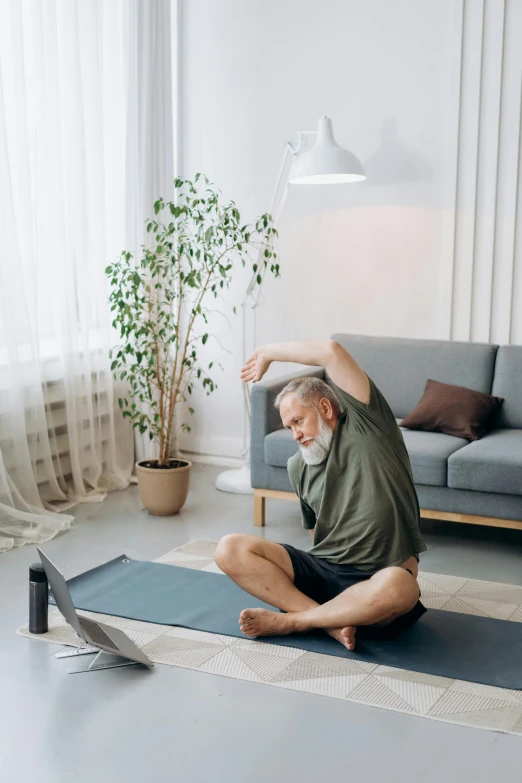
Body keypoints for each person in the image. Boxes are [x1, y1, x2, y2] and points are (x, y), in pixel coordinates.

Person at [214, 339, 428, 652]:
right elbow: (316, 532)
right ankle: (328, 619)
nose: (295, 434)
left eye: (298, 421)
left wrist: (269, 353)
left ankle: (296, 621)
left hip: (380, 577)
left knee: (400, 588)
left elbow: (331, 351)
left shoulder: (369, 428)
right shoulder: (298, 466)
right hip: (326, 573)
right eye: (289, 427)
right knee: (228, 549)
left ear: (325, 408)